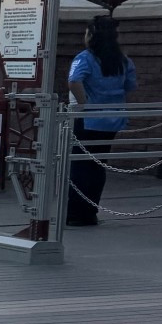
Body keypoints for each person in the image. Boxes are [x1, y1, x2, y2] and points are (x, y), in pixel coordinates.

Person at [67, 19, 138, 226]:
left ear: (91, 35)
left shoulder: (84, 58)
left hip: (89, 119)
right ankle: (91, 212)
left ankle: (75, 214)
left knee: (80, 165)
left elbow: (73, 81)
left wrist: (84, 104)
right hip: (113, 120)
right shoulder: (123, 60)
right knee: (99, 165)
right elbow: (131, 86)